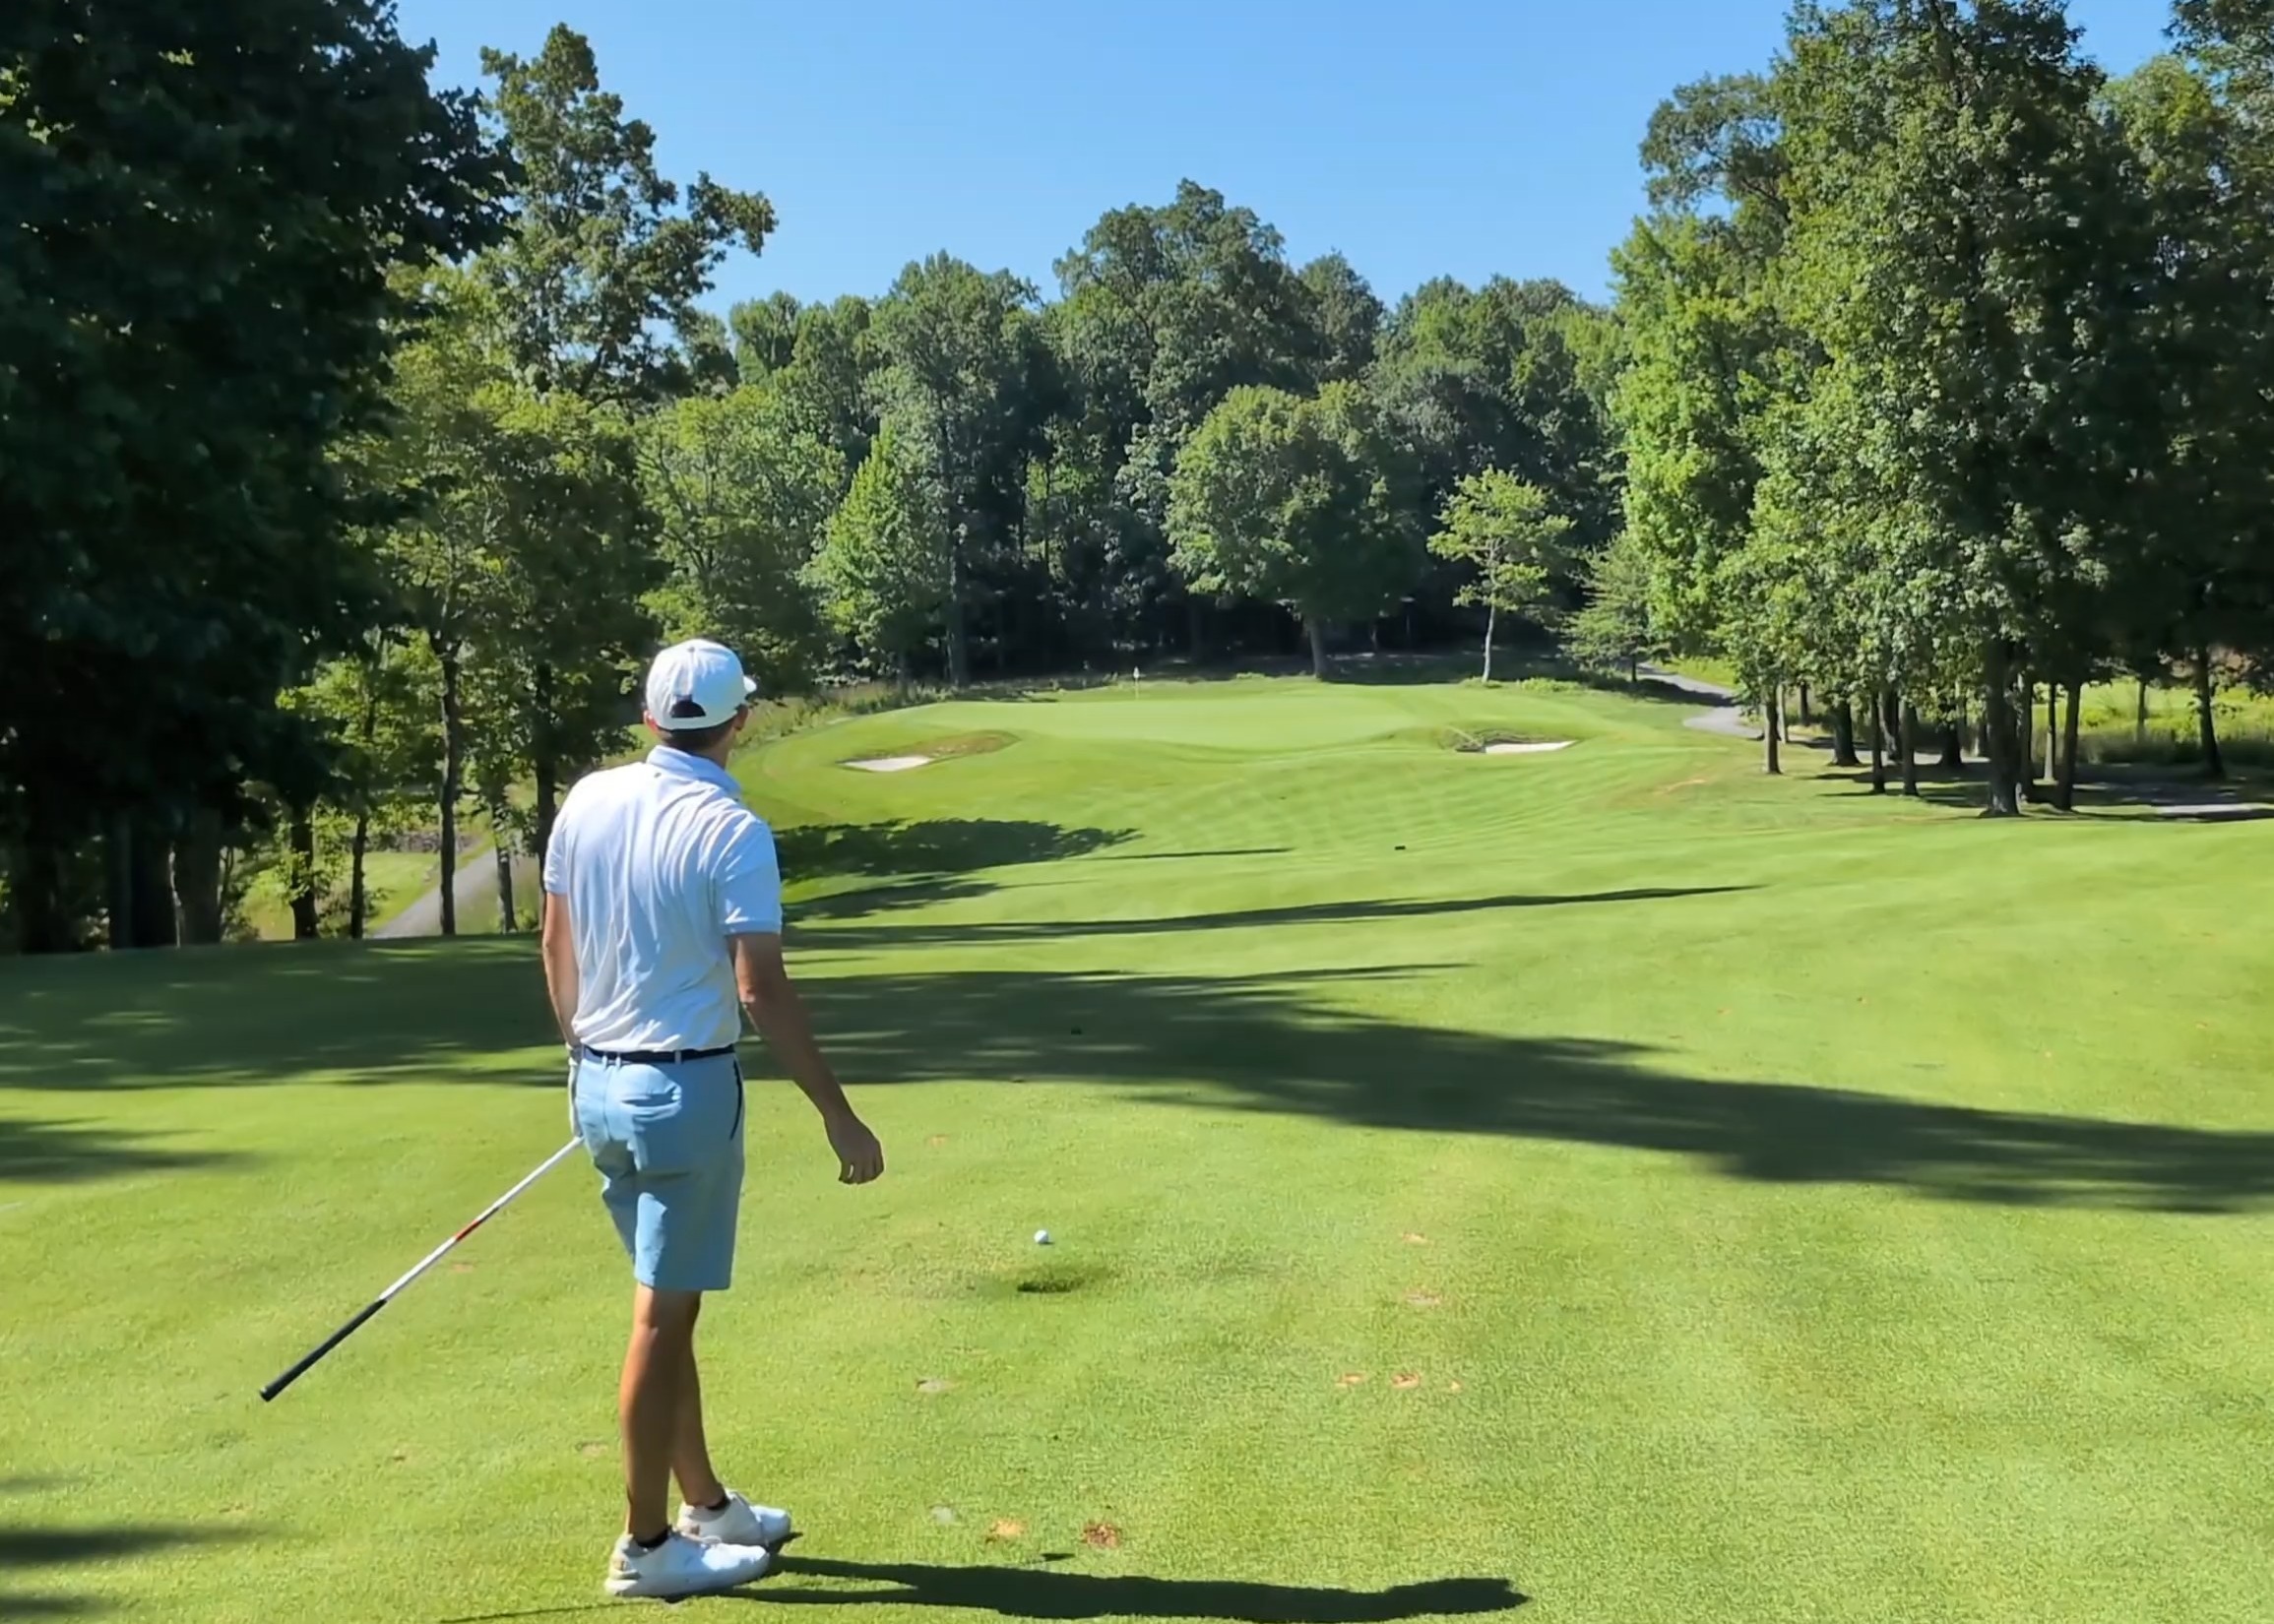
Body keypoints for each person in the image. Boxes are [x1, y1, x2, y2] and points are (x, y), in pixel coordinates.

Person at [539, 637, 885, 1600]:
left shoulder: (589, 801)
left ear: (651, 721)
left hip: (600, 1086)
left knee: (666, 1303)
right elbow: (760, 987)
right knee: (662, 1316)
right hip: (683, 1094)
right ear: (740, 723)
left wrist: (585, 1055)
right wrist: (838, 1115)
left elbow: (554, 943)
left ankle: (707, 1504)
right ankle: (647, 1546)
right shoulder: (732, 830)